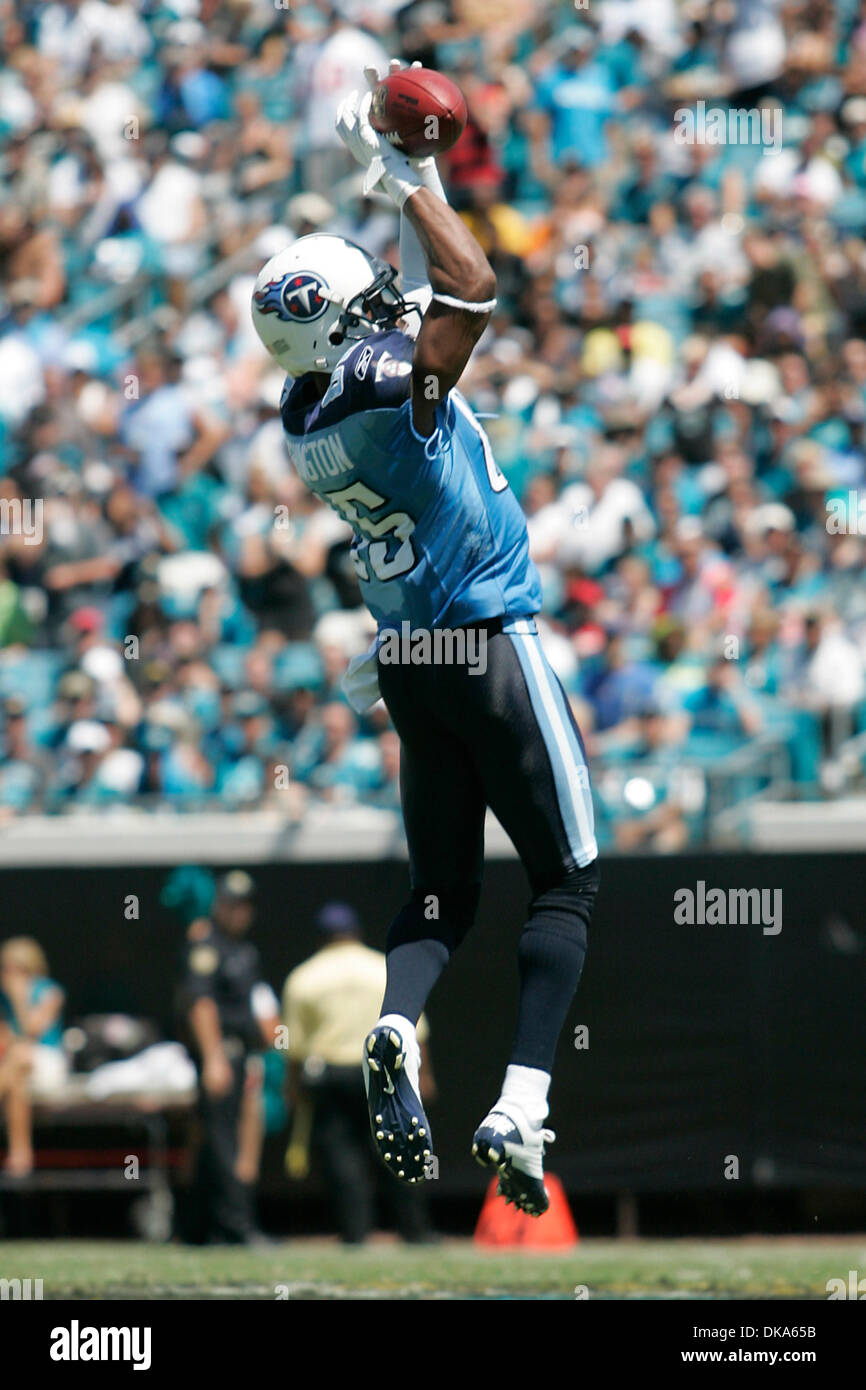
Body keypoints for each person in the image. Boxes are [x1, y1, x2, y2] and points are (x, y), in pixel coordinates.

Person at [250, 60, 600, 1216]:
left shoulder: (303, 411)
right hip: (487, 642)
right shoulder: (387, 378)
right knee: (567, 879)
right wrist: (401, 180)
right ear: (346, 320)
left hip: (411, 663)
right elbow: (471, 290)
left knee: (441, 893)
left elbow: (404, 308)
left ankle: (395, 1020)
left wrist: (418, 170)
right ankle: (520, 1101)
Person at [282, 900, 435, 1245]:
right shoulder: (382, 967)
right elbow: (415, 1030)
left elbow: (292, 1045)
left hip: (329, 1075)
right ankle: (416, 1230)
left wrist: (292, 1086)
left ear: (321, 938)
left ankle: (355, 1233)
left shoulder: (303, 977)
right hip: (381, 1070)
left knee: (342, 1158)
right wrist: (424, 1077)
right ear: (356, 932)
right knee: (397, 1144)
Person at [177, 870, 280, 1243]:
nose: (239, 912)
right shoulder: (207, 946)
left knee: (222, 1142)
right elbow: (201, 1004)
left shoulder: (243, 950)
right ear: (219, 905)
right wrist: (214, 1058)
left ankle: (198, 1230)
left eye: (245, 906)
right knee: (223, 1142)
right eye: (232, 904)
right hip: (222, 1054)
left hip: (242, 1054)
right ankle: (237, 1227)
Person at [0, 937, 67, 1176]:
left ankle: (20, 1153)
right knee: (17, 1075)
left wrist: (19, 1000)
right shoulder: (2, 999)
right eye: (5, 968)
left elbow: (32, 1029)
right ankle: (21, 1154)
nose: (9, 975)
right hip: (18, 1068)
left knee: (20, 1057)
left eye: (16, 968)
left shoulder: (50, 991)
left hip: (48, 1061)